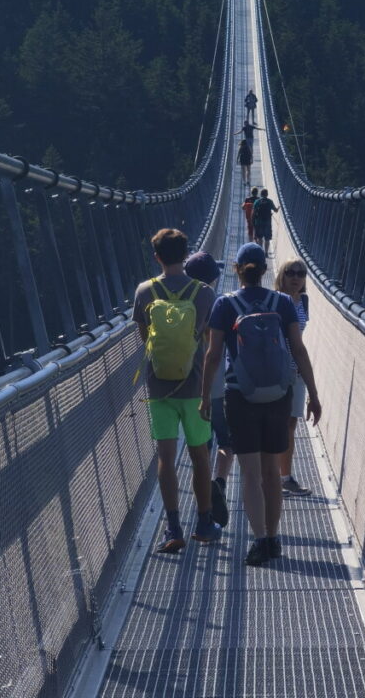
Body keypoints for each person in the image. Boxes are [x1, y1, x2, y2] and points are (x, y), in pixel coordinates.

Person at [201, 243, 322, 567]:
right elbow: (298, 350)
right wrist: (313, 392)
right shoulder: (282, 302)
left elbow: (213, 355)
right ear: (266, 271)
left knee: (250, 474)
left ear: (237, 269)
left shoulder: (225, 305)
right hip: (279, 396)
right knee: (272, 472)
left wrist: (204, 398)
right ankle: (274, 538)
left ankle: (259, 542)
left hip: (241, 395)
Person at [133, 228, 221, 553]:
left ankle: (172, 528)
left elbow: (146, 342)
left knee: (165, 459)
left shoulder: (144, 291)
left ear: (156, 256)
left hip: (159, 388)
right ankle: (204, 522)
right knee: (200, 456)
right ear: (186, 256)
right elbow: (212, 348)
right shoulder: (204, 293)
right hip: (196, 387)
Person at [184, 249, 232, 529]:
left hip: (185, 388)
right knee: (226, 443)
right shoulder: (217, 303)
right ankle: (220, 483)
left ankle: (201, 513)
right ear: (213, 278)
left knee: (200, 449)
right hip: (216, 386)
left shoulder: (170, 301)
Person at [274, 258, 312, 496]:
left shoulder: (304, 300)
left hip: (296, 372)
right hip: (276, 372)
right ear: (282, 275)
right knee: (275, 424)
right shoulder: (275, 301)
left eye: (301, 273)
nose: (296, 277)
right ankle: (269, 477)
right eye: (290, 272)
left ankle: (285, 478)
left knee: (290, 425)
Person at [252, 188, 279, 256]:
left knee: (260, 238)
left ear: (261, 194)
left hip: (259, 222)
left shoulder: (257, 201)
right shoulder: (270, 201)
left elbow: (254, 213)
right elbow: (275, 210)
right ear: (267, 194)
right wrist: (278, 207)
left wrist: (253, 222)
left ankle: (261, 251)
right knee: (267, 238)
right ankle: (266, 252)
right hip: (267, 223)